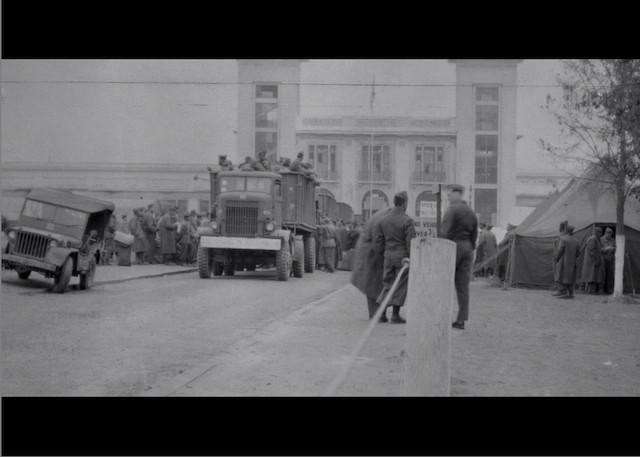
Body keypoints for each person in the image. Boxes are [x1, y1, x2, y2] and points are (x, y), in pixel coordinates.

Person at [440, 184, 478, 330]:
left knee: (444, 282)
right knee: (463, 286)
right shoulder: (470, 211)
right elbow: (474, 233)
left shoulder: (452, 210)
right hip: (468, 248)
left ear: (457, 194)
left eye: (449, 194)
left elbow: (445, 231)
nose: (448, 197)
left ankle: (442, 317)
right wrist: (470, 247)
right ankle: (461, 320)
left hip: (453, 246)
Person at [375, 191, 416, 324]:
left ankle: (382, 313)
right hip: (402, 257)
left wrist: (385, 253)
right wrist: (411, 257)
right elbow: (411, 242)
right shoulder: (407, 220)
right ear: (405, 203)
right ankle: (395, 315)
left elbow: (379, 241)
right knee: (401, 284)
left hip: (388, 255)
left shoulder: (383, 220)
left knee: (388, 283)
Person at [351, 208, 393, 319]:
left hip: (370, 255)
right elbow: (377, 242)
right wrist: (382, 260)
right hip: (371, 256)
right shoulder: (382, 219)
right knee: (374, 285)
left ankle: (379, 313)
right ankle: (376, 314)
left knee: (377, 285)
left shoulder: (381, 216)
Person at [554, 225, 581, 299]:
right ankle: (571, 293)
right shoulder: (576, 241)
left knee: (563, 277)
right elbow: (578, 253)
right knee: (571, 277)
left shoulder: (563, 239)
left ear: (566, 231)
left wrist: (556, 258)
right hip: (572, 262)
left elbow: (560, 250)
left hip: (564, 262)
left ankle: (565, 293)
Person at [580, 226, 604, 294]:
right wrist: (596, 259)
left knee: (593, 276)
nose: (601, 234)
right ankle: (590, 291)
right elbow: (591, 250)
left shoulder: (595, 239)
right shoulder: (593, 238)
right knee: (592, 276)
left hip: (593, 261)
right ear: (596, 232)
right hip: (592, 261)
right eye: (600, 232)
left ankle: (591, 290)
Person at [600, 227, 616, 295]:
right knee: (602, 274)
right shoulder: (601, 240)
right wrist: (606, 249)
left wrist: (613, 249)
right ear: (605, 233)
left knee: (610, 275)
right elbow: (599, 249)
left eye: (611, 234)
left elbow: (616, 248)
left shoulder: (613, 240)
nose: (610, 235)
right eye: (608, 234)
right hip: (603, 259)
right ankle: (601, 289)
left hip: (611, 259)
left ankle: (609, 290)